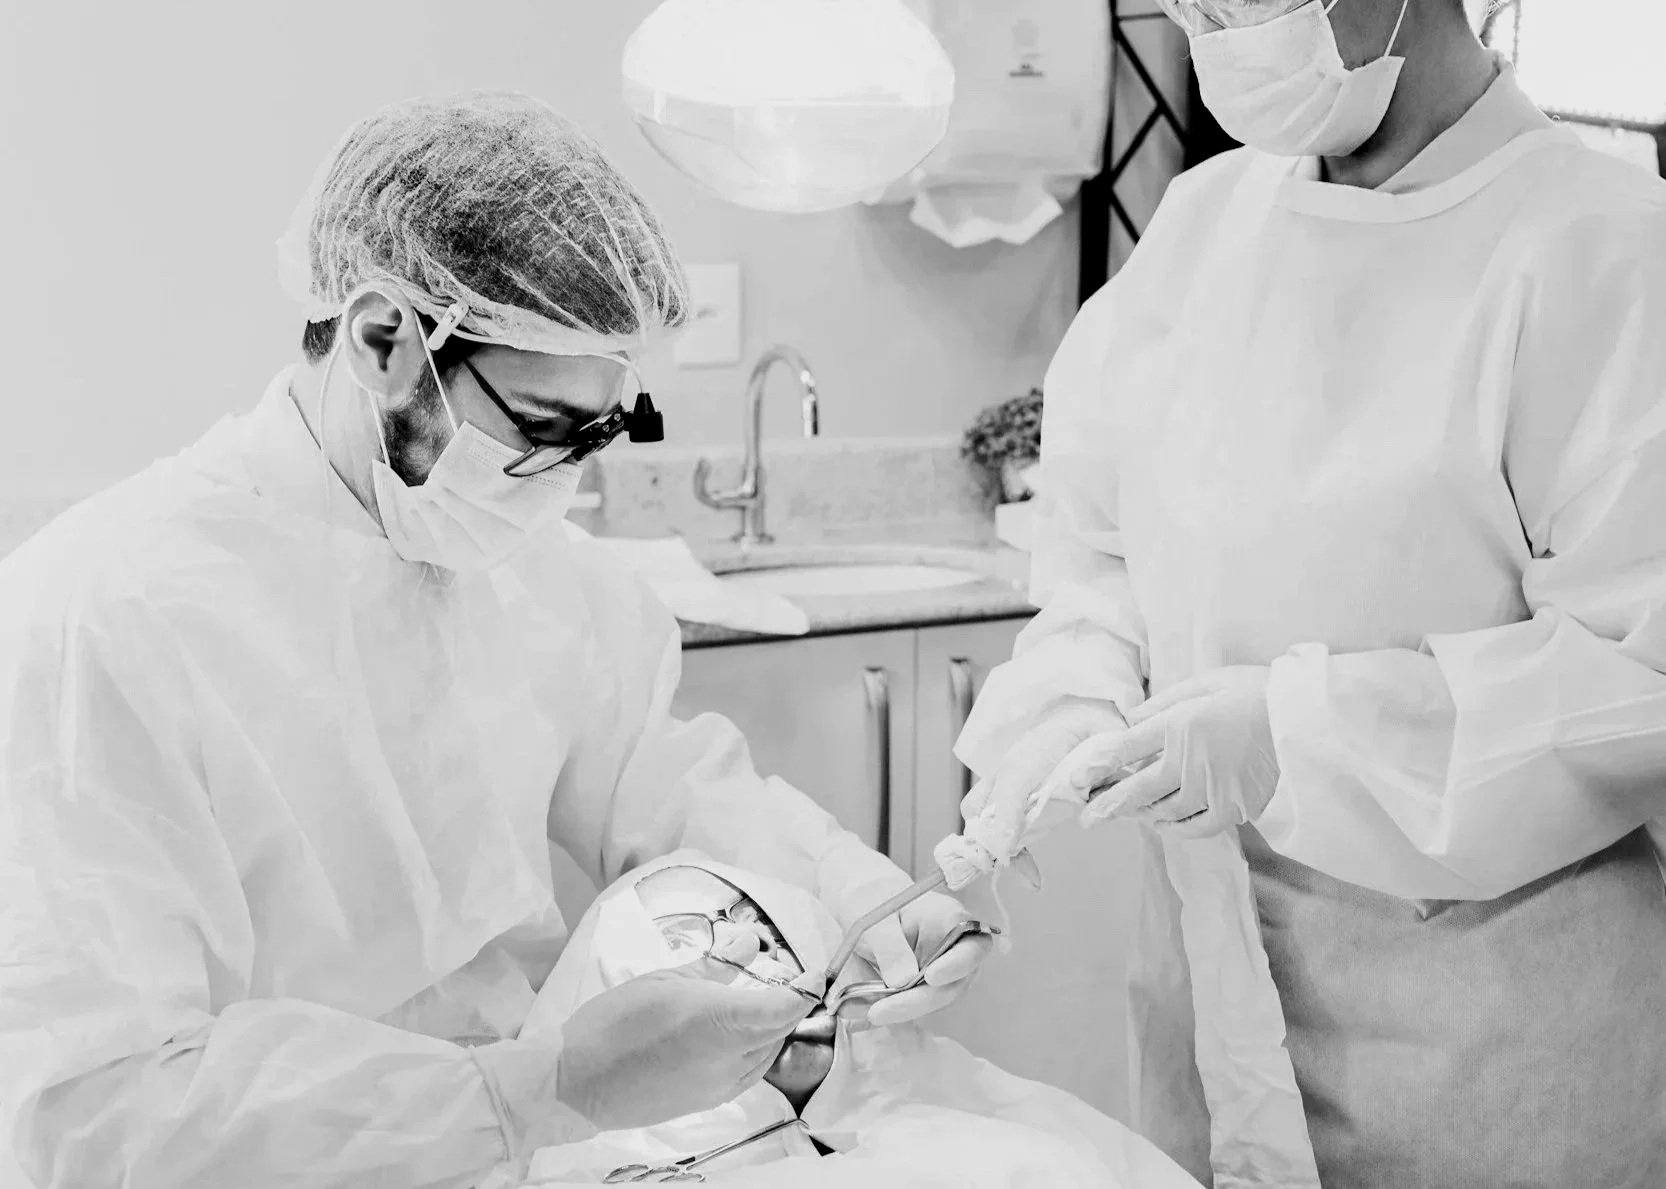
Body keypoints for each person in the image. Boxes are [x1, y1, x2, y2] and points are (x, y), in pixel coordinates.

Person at [0, 92, 991, 1189]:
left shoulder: (530, 563)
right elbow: (93, 1112)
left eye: (599, 433)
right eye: (539, 429)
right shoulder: (105, 615)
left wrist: (859, 898)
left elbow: (657, 781)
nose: (562, 482)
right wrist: (537, 1088)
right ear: (385, 339)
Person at [951, 1, 1666, 1187]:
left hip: (1490, 1066)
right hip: (1211, 1006)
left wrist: (1297, 737)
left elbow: (1642, 674)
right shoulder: (1202, 225)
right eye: (1193, 4)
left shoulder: (1606, 250)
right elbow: (1098, 555)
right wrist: (1067, 705)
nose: (1212, 27)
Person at [509, 851, 1204, 1189]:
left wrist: (866, 887)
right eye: (691, 938)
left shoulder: (999, 1139)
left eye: (757, 921)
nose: (748, 945)